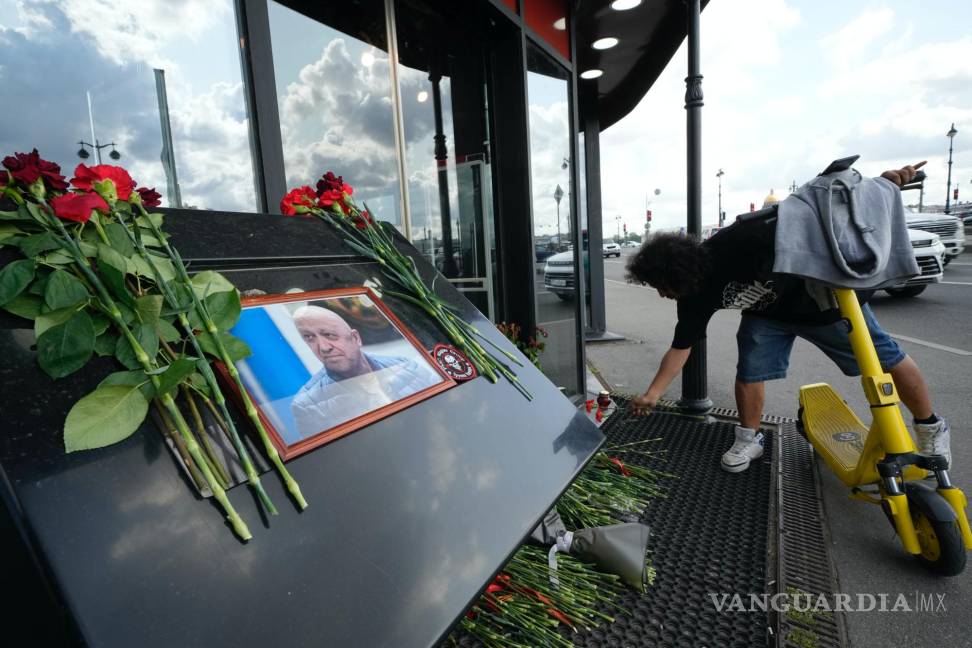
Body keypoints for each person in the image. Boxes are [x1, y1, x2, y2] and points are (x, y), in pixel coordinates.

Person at [626, 161, 951, 473]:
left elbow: (821, 207)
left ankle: (930, 429)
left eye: (659, 285)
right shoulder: (693, 297)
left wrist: (884, 183)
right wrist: (653, 393)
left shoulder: (745, 238)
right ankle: (748, 439)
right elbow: (681, 347)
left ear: (679, 273)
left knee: (887, 358)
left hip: (826, 303)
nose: (660, 293)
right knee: (750, 370)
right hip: (769, 315)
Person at [289, 304, 438, 437]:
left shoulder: (406, 366)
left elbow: (440, 415)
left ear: (356, 338)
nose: (323, 347)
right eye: (309, 338)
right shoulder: (307, 405)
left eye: (329, 335)